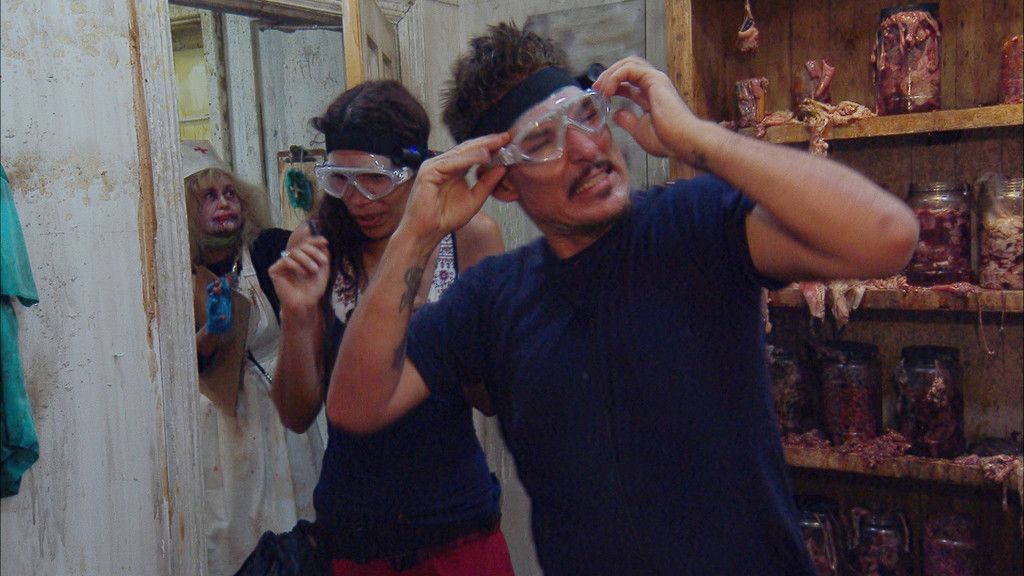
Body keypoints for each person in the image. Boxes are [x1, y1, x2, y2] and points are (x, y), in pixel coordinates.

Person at [324, 23, 920, 575]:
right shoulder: (494, 301)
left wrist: (697, 139)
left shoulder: (693, 226)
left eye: (586, 115)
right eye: (543, 141)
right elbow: (355, 407)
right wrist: (417, 232)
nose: (586, 148)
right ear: (502, 183)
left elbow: (887, 237)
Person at [265, 80, 514, 575]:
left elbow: (491, 400)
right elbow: (296, 414)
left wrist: (440, 323)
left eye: (376, 179)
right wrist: (296, 317)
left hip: (455, 524)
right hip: (356, 530)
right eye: (341, 180)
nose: (359, 199)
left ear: (416, 170)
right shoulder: (317, 245)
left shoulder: (468, 237)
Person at [182, 141, 324, 575]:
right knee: (232, 537)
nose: (225, 204)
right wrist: (210, 334)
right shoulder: (174, 274)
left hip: (281, 417)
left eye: (230, 193)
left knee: (297, 528)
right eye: (209, 197)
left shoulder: (268, 250)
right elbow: (180, 369)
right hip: (223, 430)